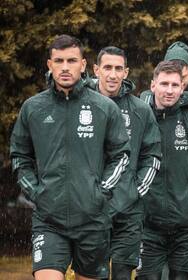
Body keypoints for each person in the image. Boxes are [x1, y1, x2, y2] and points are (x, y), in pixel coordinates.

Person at [10, 34, 130, 280]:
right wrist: (37, 192)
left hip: (93, 221)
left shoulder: (105, 108)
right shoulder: (33, 108)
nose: (65, 67)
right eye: (59, 60)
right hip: (49, 219)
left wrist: (100, 192)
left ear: (83, 65)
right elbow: (20, 156)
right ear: (50, 64)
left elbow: (121, 156)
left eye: (72, 60)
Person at [136, 60, 188, 280]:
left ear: (182, 88)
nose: (169, 90)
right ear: (153, 85)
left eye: (174, 85)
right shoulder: (140, 120)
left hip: (186, 227)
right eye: (164, 84)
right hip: (147, 225)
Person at [93, 46, 161, 280]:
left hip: (128, 210)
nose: (112, 74)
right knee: (94, 273)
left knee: (122, 273)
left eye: (118, 68)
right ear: (96, 70)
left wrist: (135, 190)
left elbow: (152, 155)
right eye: (107, 68)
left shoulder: (141, 110)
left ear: (126, 72)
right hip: (90, 209)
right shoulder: (81, 105)